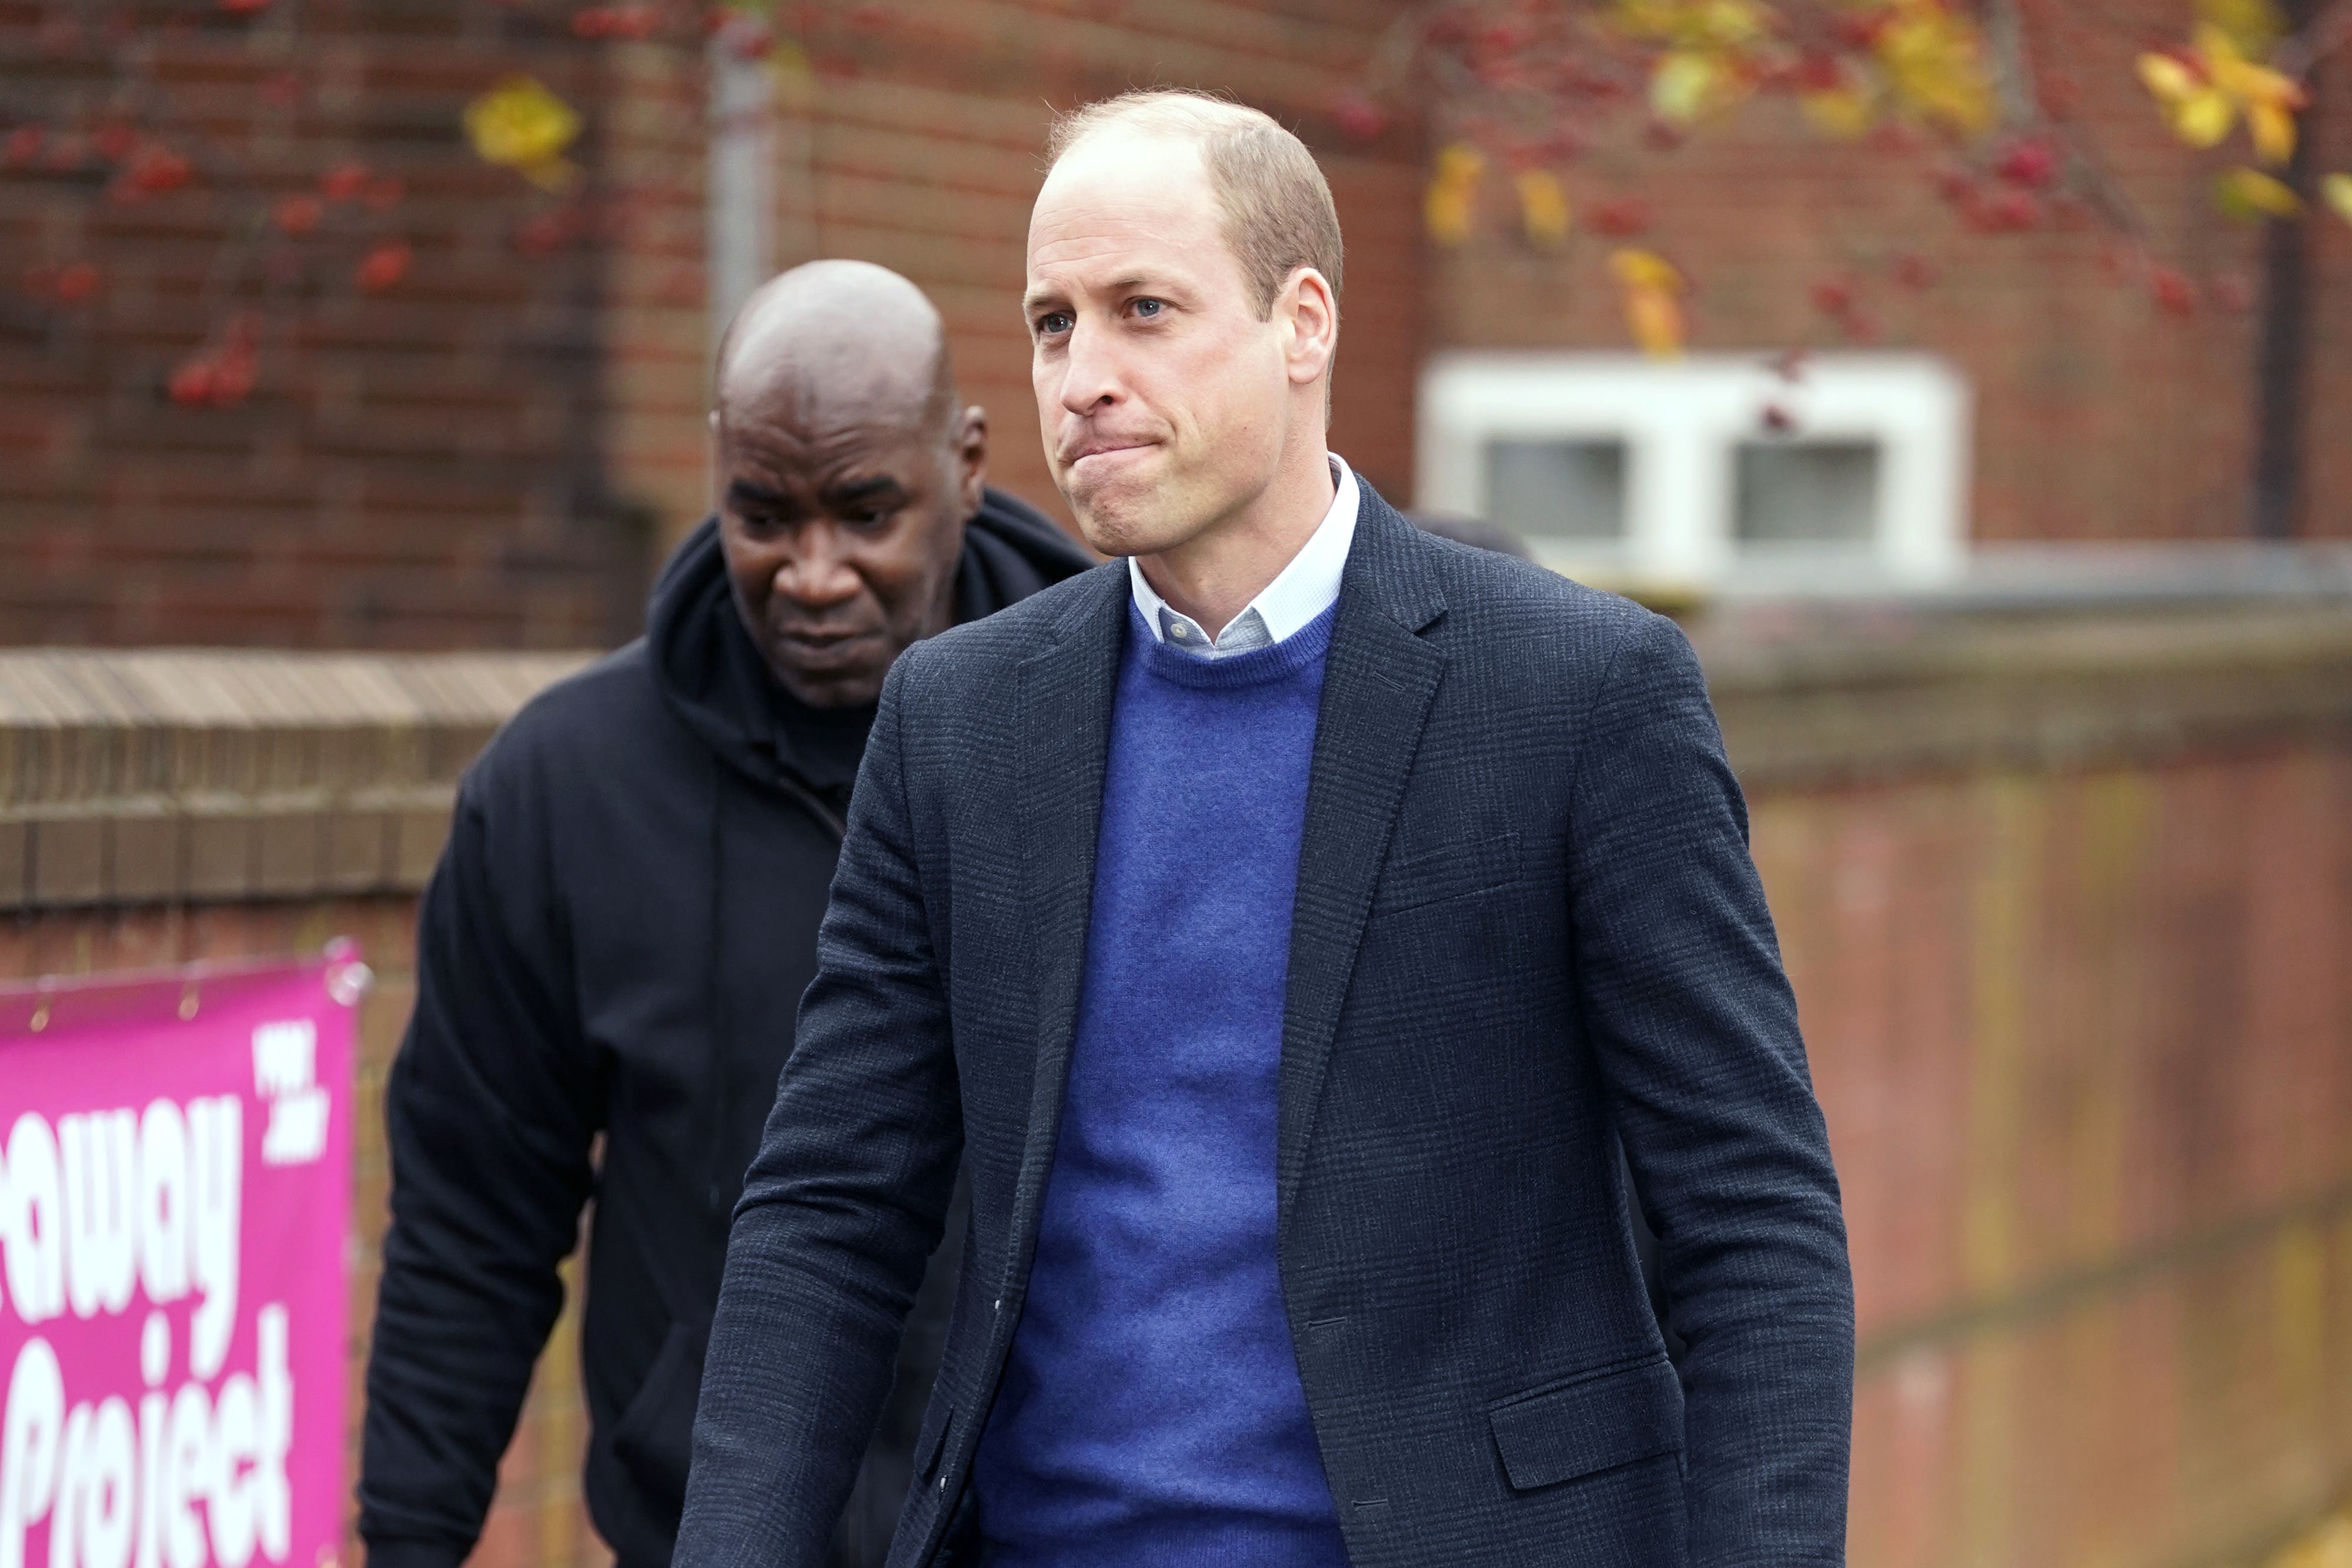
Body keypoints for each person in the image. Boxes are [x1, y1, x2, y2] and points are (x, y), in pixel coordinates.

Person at [677, 92, 1853, 1568]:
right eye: (1052, 324)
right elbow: (829, 1211)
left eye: (1142, 310)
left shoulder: (1577, 694)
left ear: (1303, 323)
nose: (1083, 375)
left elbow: (1750, 1221)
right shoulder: (960, 720)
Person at [357, 259, 1093, 1568]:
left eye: (866, 512)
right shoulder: (564, 792)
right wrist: (410, 1541)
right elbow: (475, 1219)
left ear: (966, 465)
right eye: (764, 514)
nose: (813, 574)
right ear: (715, 472)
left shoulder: (1116, 740)